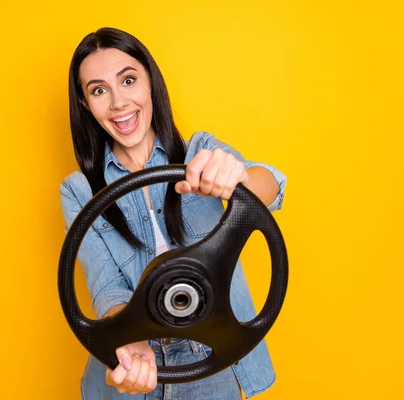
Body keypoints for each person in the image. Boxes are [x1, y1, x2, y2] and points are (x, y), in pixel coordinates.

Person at [59, 27, 287, 400]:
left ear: (150, 82)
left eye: (128, 80)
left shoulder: (200, 151)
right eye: (99, 90)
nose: (118, 103)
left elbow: (270, 184)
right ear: (86, 104)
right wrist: (129, 345)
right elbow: (107, 285)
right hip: (136, 361)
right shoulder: (78, 191)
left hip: (212, 356)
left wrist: (237, 178)